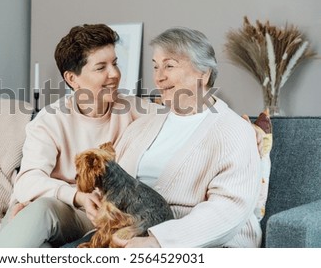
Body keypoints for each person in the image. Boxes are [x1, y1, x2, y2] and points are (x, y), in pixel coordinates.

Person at [0, 24, 159, 248]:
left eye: (115, 63)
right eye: (101, 67)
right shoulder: (51, 120)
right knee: (37, 210)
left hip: (95, 217)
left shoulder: (135, 109)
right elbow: (27, 181)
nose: (115, 74)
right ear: (72, 79)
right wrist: (77, 196)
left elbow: (187, 119)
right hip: (56, 206)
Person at [107, 27, 262, 247]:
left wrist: (158, 242)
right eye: (155, 66)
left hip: (209, 242)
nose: (159, 77)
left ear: (203, 73)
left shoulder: (234, 130)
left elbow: (229, 208)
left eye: (169, 66)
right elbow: (115, 180)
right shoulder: (141, 126)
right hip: (131, 233)